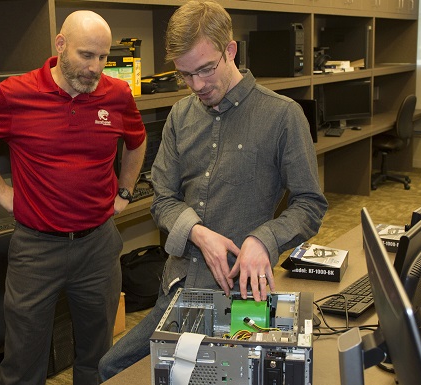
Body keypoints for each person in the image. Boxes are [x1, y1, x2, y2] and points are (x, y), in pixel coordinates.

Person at [98, 0, 328, 380]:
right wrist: (198, 233)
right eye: (185, 75)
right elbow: (163, 198)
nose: (197, 85)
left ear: (230, 51)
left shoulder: (283, 116)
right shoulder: (180, 115)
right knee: (111, 367)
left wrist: (263, 239)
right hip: (178, 289)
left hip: (240, 297)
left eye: (205, 69)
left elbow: (310, 205)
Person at [0, 10, 146, 385]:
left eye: (103, 57)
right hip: (36, 248)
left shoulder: (117, 93)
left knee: (98, 356)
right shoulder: (16, 93)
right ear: (60, 45)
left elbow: (136, 144)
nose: (95, 68)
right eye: (86, 55)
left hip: (98, 245)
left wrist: (123, 192)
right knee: (23, 362)